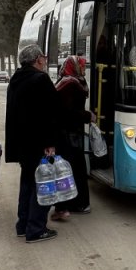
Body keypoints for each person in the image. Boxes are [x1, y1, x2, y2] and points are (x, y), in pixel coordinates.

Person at [5, 44, 63, 243]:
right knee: (43, 185)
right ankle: (36, 229)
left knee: (28, 184)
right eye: (44, 58)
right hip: (39, 143)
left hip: (22, 144)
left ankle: (23, 225)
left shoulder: (16, 79)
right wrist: (50, 142)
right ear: (38, 59)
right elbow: (50, 114)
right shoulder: (41, 79)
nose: (45, 61)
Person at [53, 55, 95, 220]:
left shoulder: (68, 83)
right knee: (76, 169)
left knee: (69, 169)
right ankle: (79, 203)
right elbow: (70, 111)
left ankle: (70, 205)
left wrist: (86, 115)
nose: (84, 69)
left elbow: (67, 112)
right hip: (71, 133)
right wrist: (87, 115)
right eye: (82, 66)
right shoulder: (73, 84)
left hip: (67, 134)